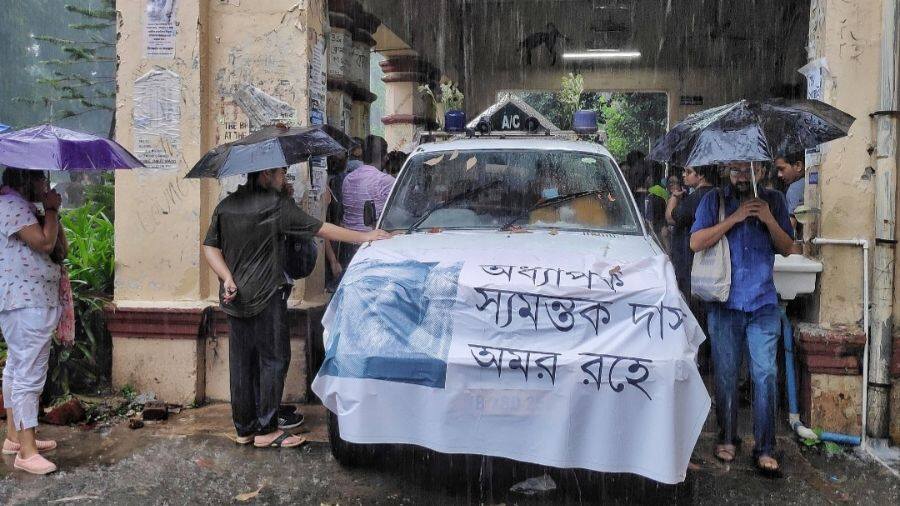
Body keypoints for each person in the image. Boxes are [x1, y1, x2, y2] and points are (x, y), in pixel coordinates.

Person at [202, 167, 390, 448]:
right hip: (267, 296)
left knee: (242, 364)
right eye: (281, 174)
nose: (285, 178)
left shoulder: (226, 206)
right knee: (273, 360)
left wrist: (227, 277)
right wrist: (365, 237)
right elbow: (320, 228)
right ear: (265, 175)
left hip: (234, 298)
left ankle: (245, 429)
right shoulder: (275, 207)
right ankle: (267, 430)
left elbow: (210, 247)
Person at [690, 162, 794, 477]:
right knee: (725, 376)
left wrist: (767, 218)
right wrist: (734, 219)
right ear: (726, 172)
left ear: (761, 169)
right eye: (733, 170)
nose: (739, 175)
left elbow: (788, 247)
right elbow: (696, 242)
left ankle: (764, 447)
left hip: (762, 302)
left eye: (745, 169)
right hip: (724, 304)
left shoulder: (774, 201)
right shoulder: (715, 201)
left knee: (765, 375)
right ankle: (727, 436)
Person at [0, 168, 67, 475]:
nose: (44, 185)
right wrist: (51, 209)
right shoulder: (12, 205)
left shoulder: (17, 205)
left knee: (17, 367)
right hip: (28, 303)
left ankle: (15, 437)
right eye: (40, 179)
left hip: (27, 301)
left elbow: (57, 247)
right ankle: (26, 452)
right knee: (29, 373)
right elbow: (45, 244)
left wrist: (48, 210)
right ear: (26, 180)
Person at [339, 142, 396, 265]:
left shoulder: (347, 179)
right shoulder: (385, 180)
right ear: (385, 157)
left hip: (348, 242)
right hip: (373, 243)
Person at [666, 165, 717, 295]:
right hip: (712, 265)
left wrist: (674, 197)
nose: (684, 175)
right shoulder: (717, 194)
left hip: (690, 264)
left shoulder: (695, 198)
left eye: (688, 172)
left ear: (700, 175)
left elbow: (671, 217)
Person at [775, 151, 805, 233]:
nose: (779, 175)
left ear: (798, 166)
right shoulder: (809, 182)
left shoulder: (794, 189)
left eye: (781, 169)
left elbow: (790, 228)